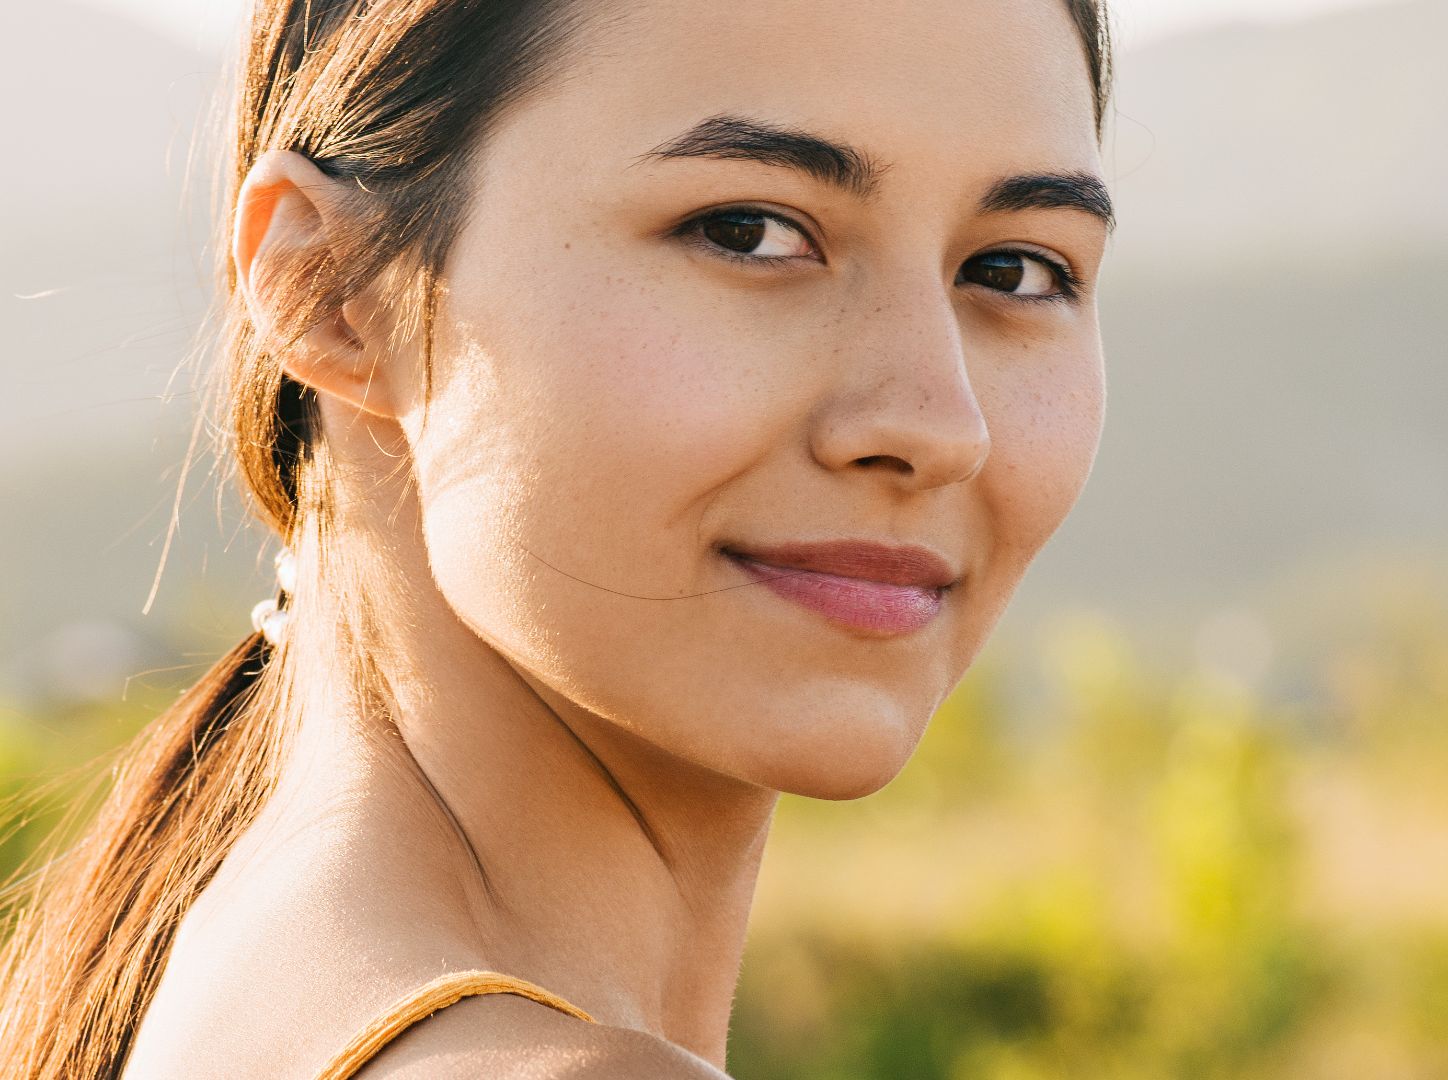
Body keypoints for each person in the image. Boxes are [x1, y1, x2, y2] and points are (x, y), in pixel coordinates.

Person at [0, 0, 1115, 1075]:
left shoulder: (213, 969)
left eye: (1014, 269)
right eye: (750, 232)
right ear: (330, 285)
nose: (935, 423)